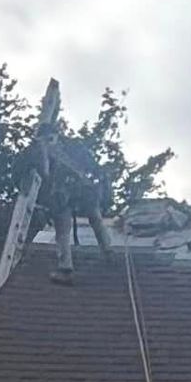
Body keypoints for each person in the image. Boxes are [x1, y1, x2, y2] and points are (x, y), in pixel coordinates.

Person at [32, 79, 117, 284]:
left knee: (65, 227)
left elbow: (45, 172)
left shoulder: (49, 148)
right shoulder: (67, 147)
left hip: (67, 191)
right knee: (90, 219)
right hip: (80, 188)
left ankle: (68, 267)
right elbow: (90, 165)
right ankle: (107, 251)